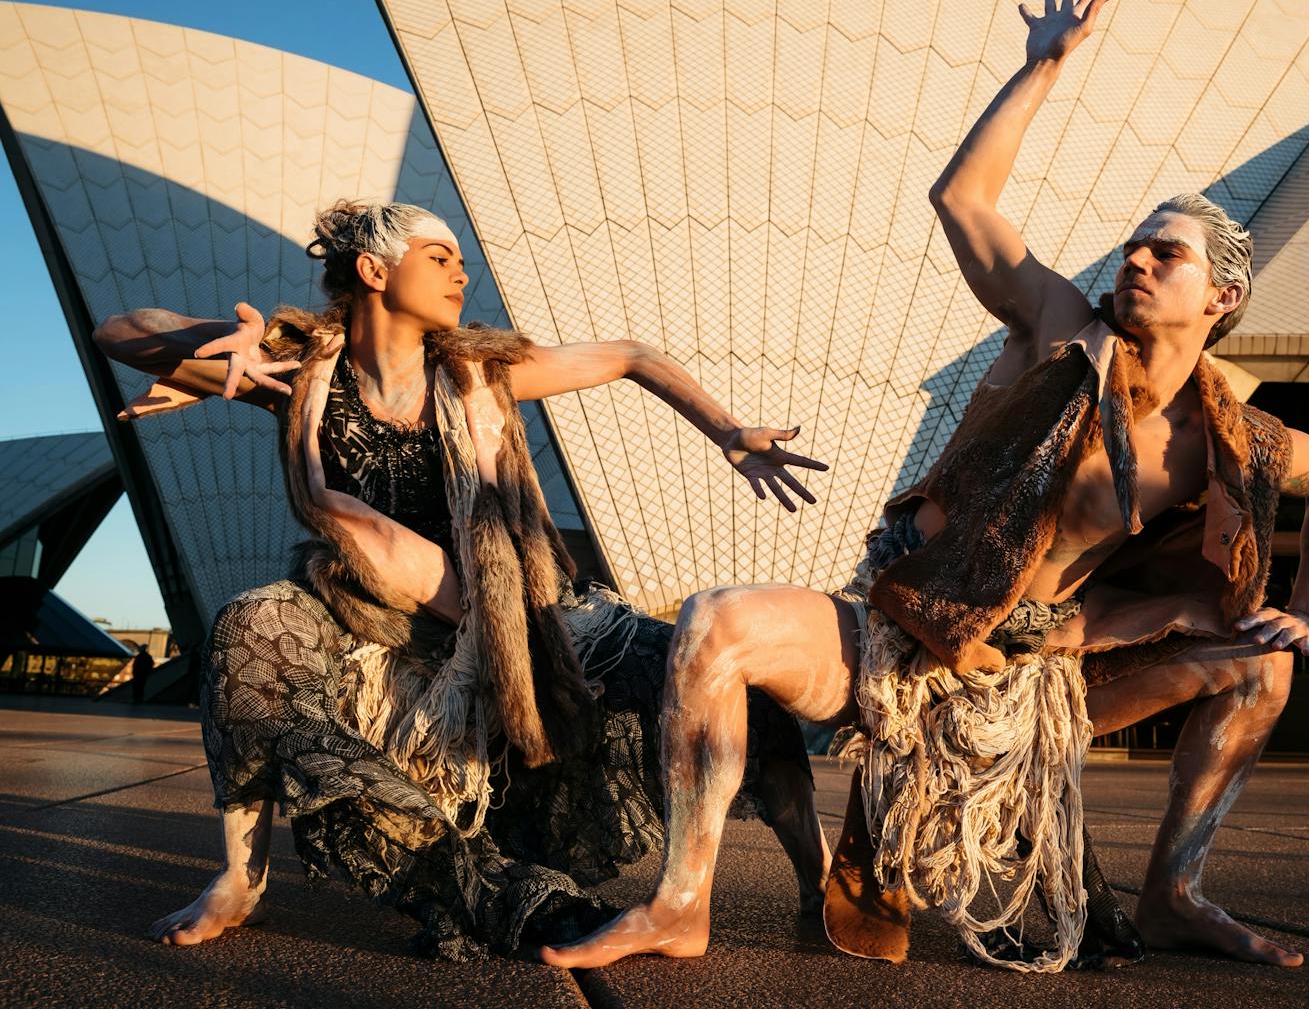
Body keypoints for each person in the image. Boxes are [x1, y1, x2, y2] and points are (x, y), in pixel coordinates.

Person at [542, 0, 1309, 972]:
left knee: (1263, 663)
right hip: (909, 636)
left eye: (1166, 254)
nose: (1138, 262)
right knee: (717, 622)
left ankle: (1176, 893)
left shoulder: (1227, 436)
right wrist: (1042, 66)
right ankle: (679, 906)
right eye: (1135, 247)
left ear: (1222, 296)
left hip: (1041, 669)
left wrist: (1308, 610)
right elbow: (962, 200)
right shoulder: (1062, 332)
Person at [93, 200, 831, 958]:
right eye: (438, 257)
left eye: (459, 260)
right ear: (374, 270)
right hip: (375, 618)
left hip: (516, 612)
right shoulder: (298, 372)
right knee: (250, 628)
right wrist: (215, 340)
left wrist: (728, 432)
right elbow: (117, 332)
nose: (460, 271)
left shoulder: (481, 370)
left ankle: (823, 883)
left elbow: (632, 356)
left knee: (715, 683)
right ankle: (239, 880)